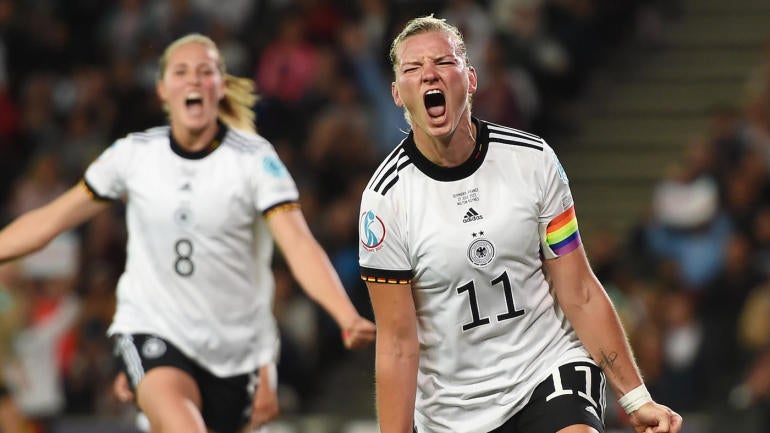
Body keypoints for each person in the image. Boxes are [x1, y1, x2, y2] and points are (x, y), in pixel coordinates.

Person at [0, 33, 376, 433]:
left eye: (205, 71)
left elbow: (298, 243)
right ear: (163, 89)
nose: (194, 80)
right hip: (153, 328)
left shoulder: (254, 160)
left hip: (235, 351)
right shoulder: (133, 155)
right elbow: (50, 220)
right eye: (181, 72)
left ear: (219, 85)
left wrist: (344, 313)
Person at [358, 15, 682, 433]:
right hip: (452, 412)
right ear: (397, 94)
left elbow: (579, 289)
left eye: (443, 62)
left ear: (471, 79)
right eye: (412, 69)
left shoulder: (532, 161)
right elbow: (398, 343)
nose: (428, 75)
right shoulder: (384, 202)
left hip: (546, 370)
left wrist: (636, 398)